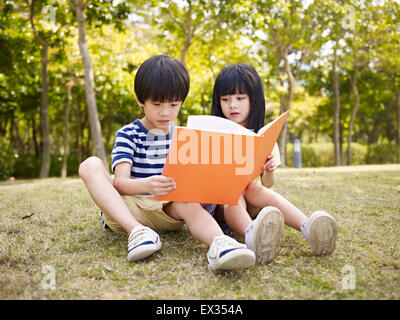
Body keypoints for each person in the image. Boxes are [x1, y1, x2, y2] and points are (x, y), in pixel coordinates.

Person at [79, 55, 256, 271]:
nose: (165, 112)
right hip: (128, 208)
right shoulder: (129, 134)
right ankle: (137, 232)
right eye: (156, 104)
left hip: (167, 210)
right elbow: (120, 183)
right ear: (140, 100)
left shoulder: (184, 137)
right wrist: (146, 185)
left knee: (187, 201)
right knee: (90, 164)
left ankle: (221, 245)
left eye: (173, 104)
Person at [210, 63, 338, 263]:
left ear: (254, 99)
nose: (232, 105)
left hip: (251, 202)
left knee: (253, 188)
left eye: (240, 98)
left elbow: (268, 183)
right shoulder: (213, 133)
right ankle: (252, 236)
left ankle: (309, 229)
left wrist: (268, 170)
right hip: (221, 206)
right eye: (225, 99)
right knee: (235, 194)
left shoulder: (264, 136)